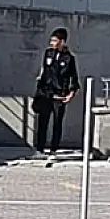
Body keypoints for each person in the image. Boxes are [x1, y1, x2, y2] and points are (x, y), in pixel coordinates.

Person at [33, 28, 79, 156]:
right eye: (51, 40)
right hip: (46, 93)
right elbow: (43, 71)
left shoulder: (69, 58)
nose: (52, 43)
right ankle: (40, 149)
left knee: (57, 123)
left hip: (60, 95)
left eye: (55, 40)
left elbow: (74, 78)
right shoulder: (48, 53)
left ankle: (54, 149)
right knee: (43, 121)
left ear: (62, 41)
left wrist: (71, 94)